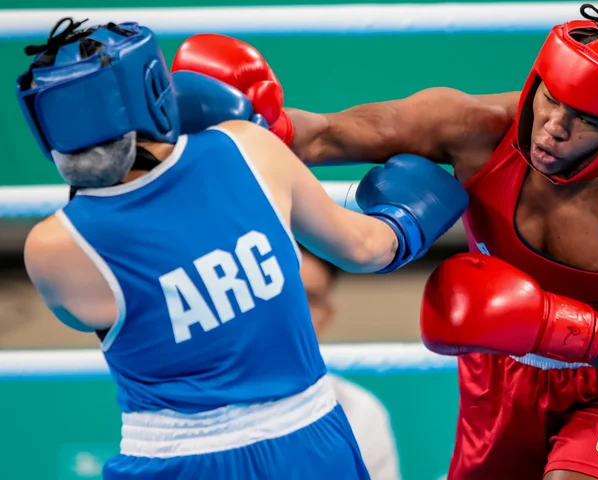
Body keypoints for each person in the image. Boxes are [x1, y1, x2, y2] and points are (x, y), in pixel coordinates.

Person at [172, 0, 598, 478]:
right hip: (499, 376)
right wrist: (255, 123)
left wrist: (541, 322)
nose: (553, 128)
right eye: (550, 99)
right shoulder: (473, 127)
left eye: (585, 120)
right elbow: (330, 133)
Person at [18, 18, 467, 480]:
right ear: (153, 87)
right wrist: (412, 214)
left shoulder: (54, 248)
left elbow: (91, 303)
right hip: (309, 446)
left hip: (172, 461)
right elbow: (369, 249)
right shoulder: (248, 148)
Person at [299, 245, 402, 480]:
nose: (296, 311)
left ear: (327, 315)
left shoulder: (360, 411)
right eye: (283, 295)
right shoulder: (204, 403)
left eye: (310, 298)